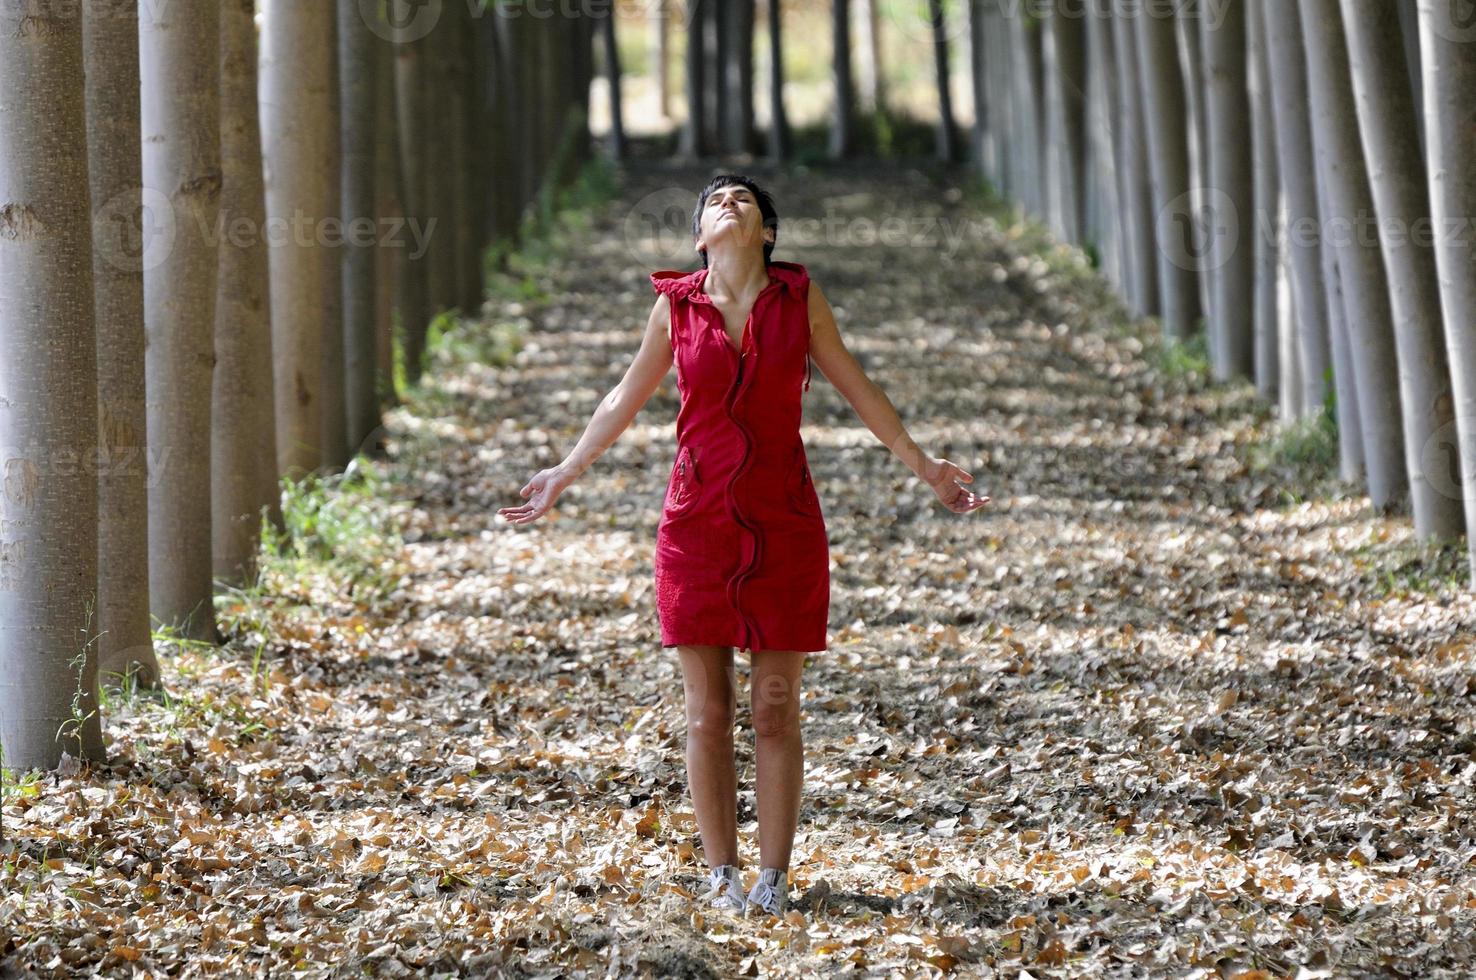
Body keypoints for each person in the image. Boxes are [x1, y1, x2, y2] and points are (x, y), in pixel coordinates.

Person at [498, 175, 988, 919]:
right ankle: (721, 874)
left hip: (784, 521)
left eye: (744, 200)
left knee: (774, 708)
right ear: (700, 234)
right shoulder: (676, 306)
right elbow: (622, 396)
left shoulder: (799, 300)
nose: (729, 202)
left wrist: (927, 467)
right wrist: (564, 472)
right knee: (707, 712)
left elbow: (859, 388)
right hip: (694, 527)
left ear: (765, 232)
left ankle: (773, 879)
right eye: (715, 199)